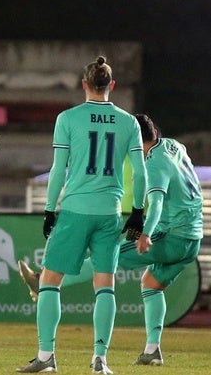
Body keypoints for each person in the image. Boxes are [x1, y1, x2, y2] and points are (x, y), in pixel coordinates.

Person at [20, 113, 203, 367]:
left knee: (108, 256)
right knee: (151, 284)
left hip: (171, 234)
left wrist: (146, 233)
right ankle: (152, 350)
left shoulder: (153, 163)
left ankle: (42, 282)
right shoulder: (174, 146)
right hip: (194, 236)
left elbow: (158, 203)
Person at [15, 56, 147, 374]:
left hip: (75, 210)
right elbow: (141, 173)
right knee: (105, 286)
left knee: (48, 281)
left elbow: (59, 169)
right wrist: (139, 213)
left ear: (84, 84)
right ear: (111, 86)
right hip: (110, 212)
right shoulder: (128, 122)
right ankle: (100, 360)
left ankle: (46, 357)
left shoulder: (68, 118)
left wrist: (49, 210)